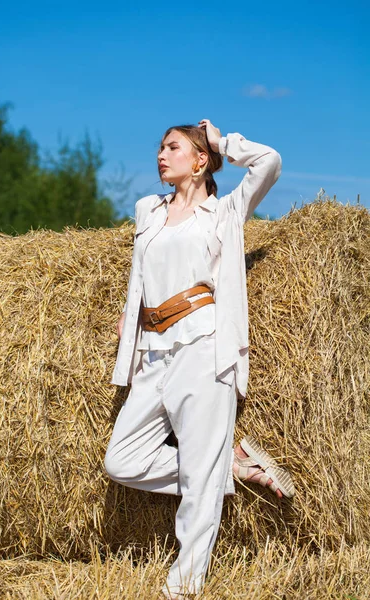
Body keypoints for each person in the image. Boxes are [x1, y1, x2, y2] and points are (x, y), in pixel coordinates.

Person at [104, 119, 295, 599]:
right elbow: (139, 279)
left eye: (173, 147)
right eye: (160, 148)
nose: (161, 155)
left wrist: (222, 140)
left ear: (200, 160)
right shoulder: (148, 210)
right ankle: (220, 466)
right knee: (120, 461)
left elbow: (269, 162)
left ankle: (183, 588)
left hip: (203, 347)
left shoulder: (225, 212)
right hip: (153, 352)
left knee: (199, 483)